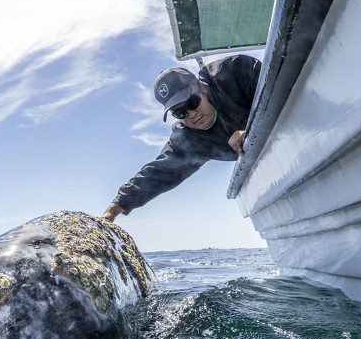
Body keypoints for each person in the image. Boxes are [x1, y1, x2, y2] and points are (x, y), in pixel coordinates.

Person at [101, 55, 261, 222]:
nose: (192, 114)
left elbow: (281, 90)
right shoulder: (190, 141)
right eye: (180, 112)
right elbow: (158, 174)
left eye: (192, 102)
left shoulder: (235, 72)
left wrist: (253, 130)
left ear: (202, 88)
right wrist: (112, 211)